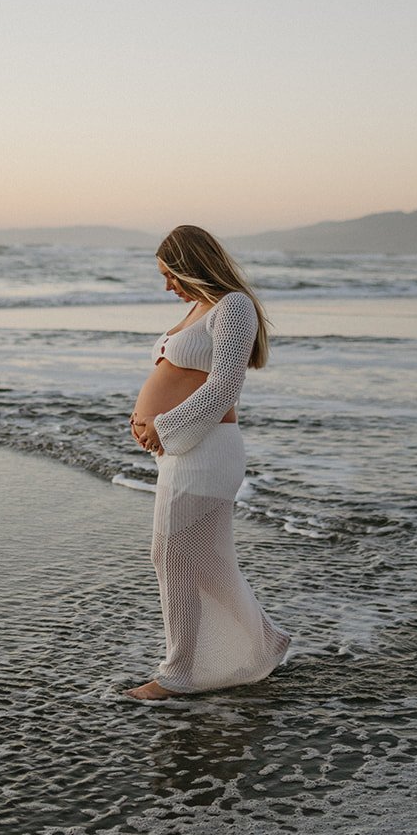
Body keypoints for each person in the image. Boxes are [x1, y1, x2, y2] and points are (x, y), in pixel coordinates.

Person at [127, 225, 292, 700]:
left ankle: (179, 674)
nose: (166, 287)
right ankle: (267, 641)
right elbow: (174, 376)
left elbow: (224, 388)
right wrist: (144, 421)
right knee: (204, 561)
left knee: (172, 555)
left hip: (209, 449)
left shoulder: (233, 307)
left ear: (192, 264)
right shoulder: (198, 310)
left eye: (170, 275)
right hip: (185, 448)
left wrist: (163, 424)